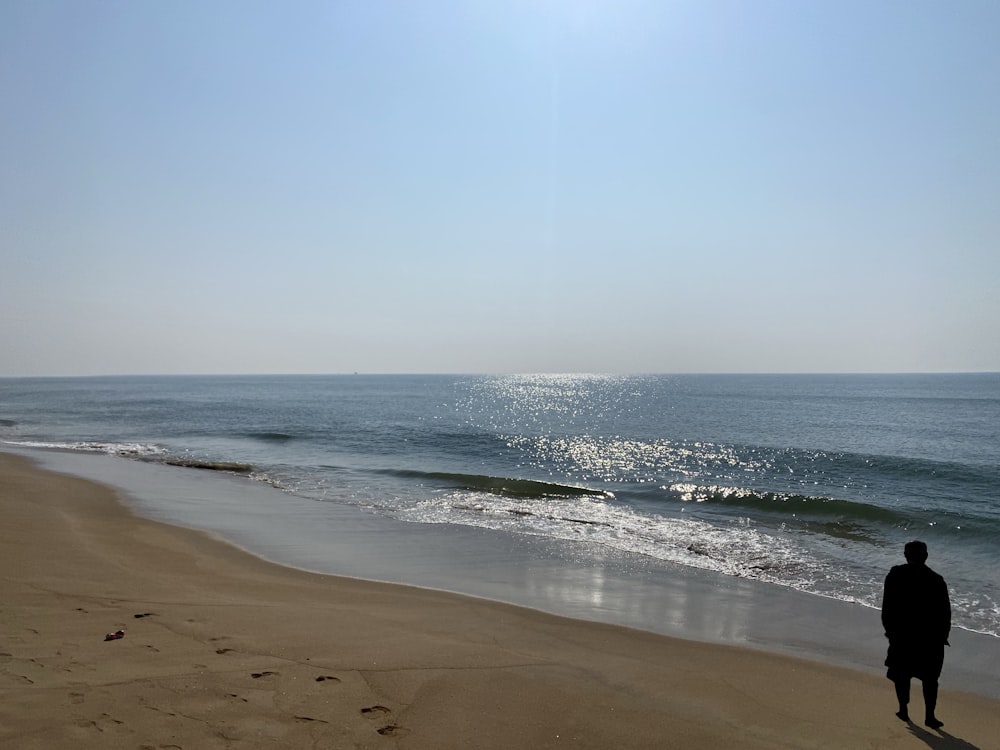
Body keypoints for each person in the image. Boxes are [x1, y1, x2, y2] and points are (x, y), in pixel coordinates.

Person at [881, 540, 951, 729]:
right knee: (930, 680)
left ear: (905, 555)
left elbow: (887, 607)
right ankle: (930, 716)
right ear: (926, 556)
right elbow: (945, 614)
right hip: (930, 640)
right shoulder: (936, 580)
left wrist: (889, 632)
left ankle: (903, 709)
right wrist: (943, 637)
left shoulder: (895, 575)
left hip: (902, 636)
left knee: (901, 675)